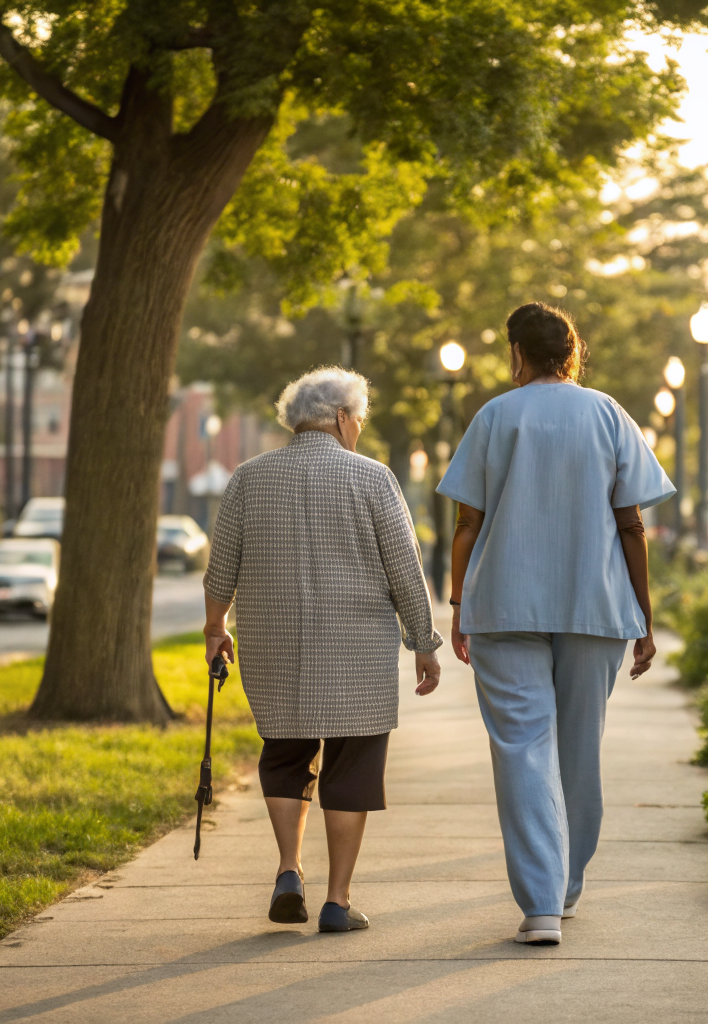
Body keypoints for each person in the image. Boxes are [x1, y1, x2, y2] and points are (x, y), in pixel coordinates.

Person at [438, 302, 674, 946]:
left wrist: (460, 605)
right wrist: (645, 621)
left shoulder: (493, 417)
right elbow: (632, 524)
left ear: (517, 353)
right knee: (578, 747)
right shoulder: (608, 414)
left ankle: (540, 905)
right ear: (571, 353)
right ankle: (566, 887)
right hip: (595, 606)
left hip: (504, 604)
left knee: (522, 747)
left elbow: (467, 524)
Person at [202, 366, 442, 935]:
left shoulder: (248, 478)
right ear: (339, 418)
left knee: (285, 755)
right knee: (352, 767)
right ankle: (337, 900)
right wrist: (423, 642)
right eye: (357, 417)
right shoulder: (373, 478)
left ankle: (289, 870)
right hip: (356, 652)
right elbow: (405, 572)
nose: (358, 427)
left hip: (274, 645)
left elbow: (220, 571)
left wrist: (217, 628)